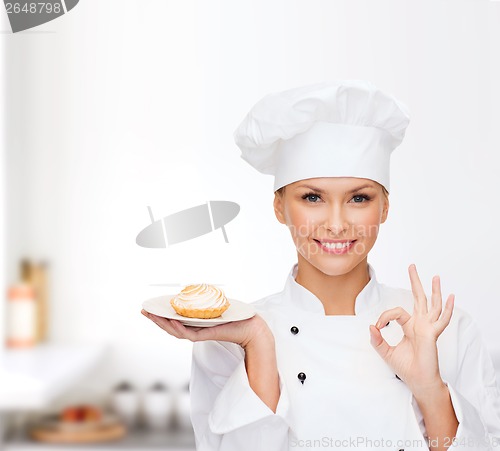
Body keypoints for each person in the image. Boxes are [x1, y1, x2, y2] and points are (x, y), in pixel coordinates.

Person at [141, 80, 500, 451]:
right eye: (312, 197)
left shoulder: (447, 331)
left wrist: (429, 389)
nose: (336, 223)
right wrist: (259, 345)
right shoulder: (231, 341)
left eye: (359, 198)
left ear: (385, 207)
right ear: (280, 207)